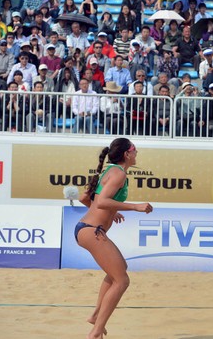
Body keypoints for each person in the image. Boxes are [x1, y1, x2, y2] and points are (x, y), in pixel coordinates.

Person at [77, 138, 153, 339]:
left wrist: (112, 212)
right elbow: (101, 201)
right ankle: (95, 332)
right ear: (127, 154)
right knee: (122, 280)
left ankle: (95, 316)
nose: (137, 153)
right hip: (91, 230)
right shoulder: (118, 173)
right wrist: (135, 207)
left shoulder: (109, 170)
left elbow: (85, 198)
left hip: (86, 228)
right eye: (135, 150)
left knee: (117, 272)